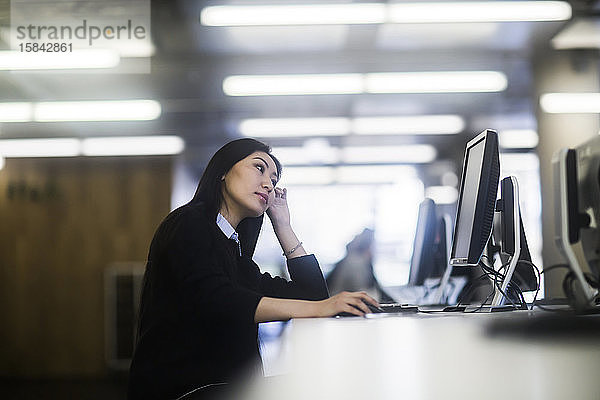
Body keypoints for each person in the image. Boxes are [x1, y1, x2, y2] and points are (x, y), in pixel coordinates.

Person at [128, 138, 379, 400]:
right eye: (259, 168)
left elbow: (313, 294)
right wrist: (318, 308)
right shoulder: (188, 224)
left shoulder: (236, 255)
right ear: (223, 171)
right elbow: (217, 300)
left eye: (274, 179)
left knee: (333, 382)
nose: (269, 184)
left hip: (226, 386)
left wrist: (283, 225)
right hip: (187, 391)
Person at [326, 228, 393, 303]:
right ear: (369, 246)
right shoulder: (356, 263)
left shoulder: (357, 259)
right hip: (339, 306)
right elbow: (361, 293)